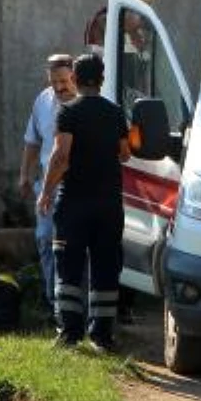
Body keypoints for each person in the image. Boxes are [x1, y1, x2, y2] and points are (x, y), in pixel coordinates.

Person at [38, 52, 131, 350]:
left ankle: (69, 334)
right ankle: (102, 336)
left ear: (75, 79)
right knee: (105, 266)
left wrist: (46, 191)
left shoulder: (69, 112)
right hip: (108, 205)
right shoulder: (115, 112)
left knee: (68, 266)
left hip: (74, 203)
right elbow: (126, 153)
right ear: (102, 81)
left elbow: (61, 155)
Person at [17, 53, 78, 318]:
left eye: (64, 81)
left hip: (78, 183)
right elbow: (32, 141)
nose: (59, 88)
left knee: (71, 243)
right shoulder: (43, 100)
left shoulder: (86, 102)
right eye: (54, 82)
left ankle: (74, 303)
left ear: (74, 76)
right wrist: (24, 175)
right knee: (44, 238)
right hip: (47, 182)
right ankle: (53, 300)